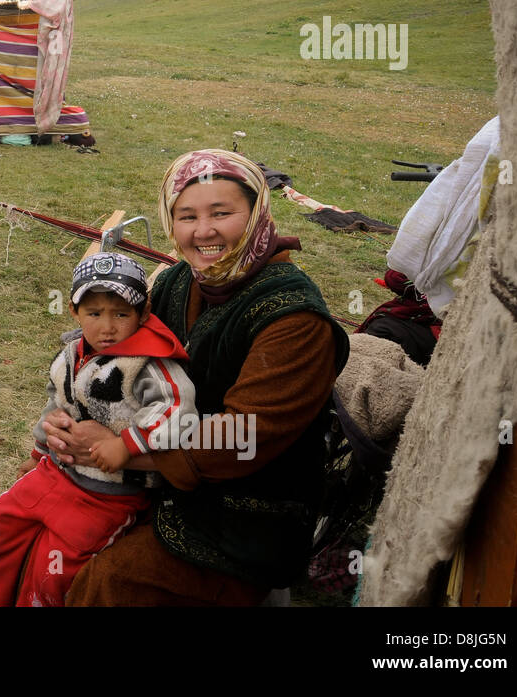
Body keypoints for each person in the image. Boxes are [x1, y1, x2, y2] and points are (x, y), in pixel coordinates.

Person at [50, 150, 349, 605]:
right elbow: (116, 354)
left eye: (221, 213)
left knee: (107, 583)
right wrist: (68, 418)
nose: (203, 231)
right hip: (151, 479)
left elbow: (245, 434)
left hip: (245, 517)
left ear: (255, 215)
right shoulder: (177, 282)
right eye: (186, 215)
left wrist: (118, 449)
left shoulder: (294, 320)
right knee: (42, 533)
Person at [0, 253, 195, 607]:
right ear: (75, 311)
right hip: (56, 471)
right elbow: (57, 405)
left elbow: (178, 410)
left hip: (109, 494)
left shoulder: (149, 363)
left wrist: (126, 446)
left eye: (121, 314)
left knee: (57, 565)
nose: (107, 327)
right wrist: (37, 453)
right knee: (3, 517)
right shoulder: (71, 353)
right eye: (94, 313)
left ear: (143, 314)